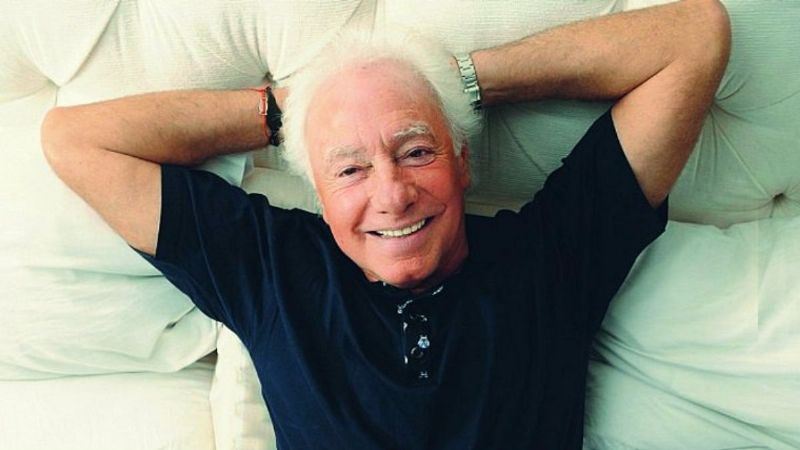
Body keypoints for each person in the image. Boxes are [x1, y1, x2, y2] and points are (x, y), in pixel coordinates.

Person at [41, 0, 730, 448]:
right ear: (317, 191)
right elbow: (76, 142)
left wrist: (456, 82)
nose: (393, 196)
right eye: (349, 169)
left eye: (417, 151)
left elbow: (693, 36)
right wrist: (296, 110)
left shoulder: (552, 256)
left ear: (462, 160)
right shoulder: (272, 270)